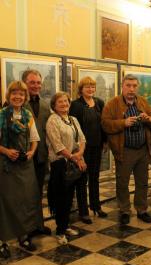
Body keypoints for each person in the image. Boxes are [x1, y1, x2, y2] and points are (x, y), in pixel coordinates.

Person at [102, 74, 151, 225]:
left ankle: (142, 209)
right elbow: (105, 124)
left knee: (142, 182)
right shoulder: (112, 104)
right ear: (122, 86)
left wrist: (148, 119)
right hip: (124, 150)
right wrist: (123, 123)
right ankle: (124, 210)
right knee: (122, 182)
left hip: (143, 150)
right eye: (128, 86)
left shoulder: (143, 102)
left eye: (134, 86)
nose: (131, 89)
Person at [0, 81, 43, 255]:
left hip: (25, 166)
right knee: (6, 203)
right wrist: (6, 151)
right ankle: (2, 241)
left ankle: (23, 236)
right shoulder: (2, 115)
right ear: (9, 96)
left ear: (25, 97)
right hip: (6, 166)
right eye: (14, 93)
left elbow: (34, 138)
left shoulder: (27, 114)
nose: (18, 97)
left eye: (21, 94)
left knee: (25, 201)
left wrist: (32, 152)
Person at [46, 92, 87, 244]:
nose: (64, 104)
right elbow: (57, 146)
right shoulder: (52, 120)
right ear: (54, 105)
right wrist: (75, 158)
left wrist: (80, 154)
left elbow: (82, 139)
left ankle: (65, 225)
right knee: (61, 198)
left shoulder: (73, 119)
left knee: (70, 198)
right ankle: (60, 231)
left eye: (66, 101)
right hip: (60, 164)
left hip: (74, 161)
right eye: (60, 102)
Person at [70, 76, 108, 224]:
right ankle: (83, 211)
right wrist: (77, 149)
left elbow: (103, 124)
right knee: (81, 179)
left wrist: (105, 141)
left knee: (94, 178)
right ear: (81, 89)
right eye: (87, 87)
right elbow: (74, 128)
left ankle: (96, 206)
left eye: (92, 86)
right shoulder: (75, 105)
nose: (90, 89)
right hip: (82, 148)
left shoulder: (99, 103)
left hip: (97, 145)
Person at [23, 69, 51, 236]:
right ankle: (26, 229)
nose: (36, 85)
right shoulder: (15, 105)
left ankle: (38, 225)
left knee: (38, 192)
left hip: (40, 156)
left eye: (38, 82)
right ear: (25, 83)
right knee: (25, 194)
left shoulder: (45, 105)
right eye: (32, 82)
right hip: (23, 157)